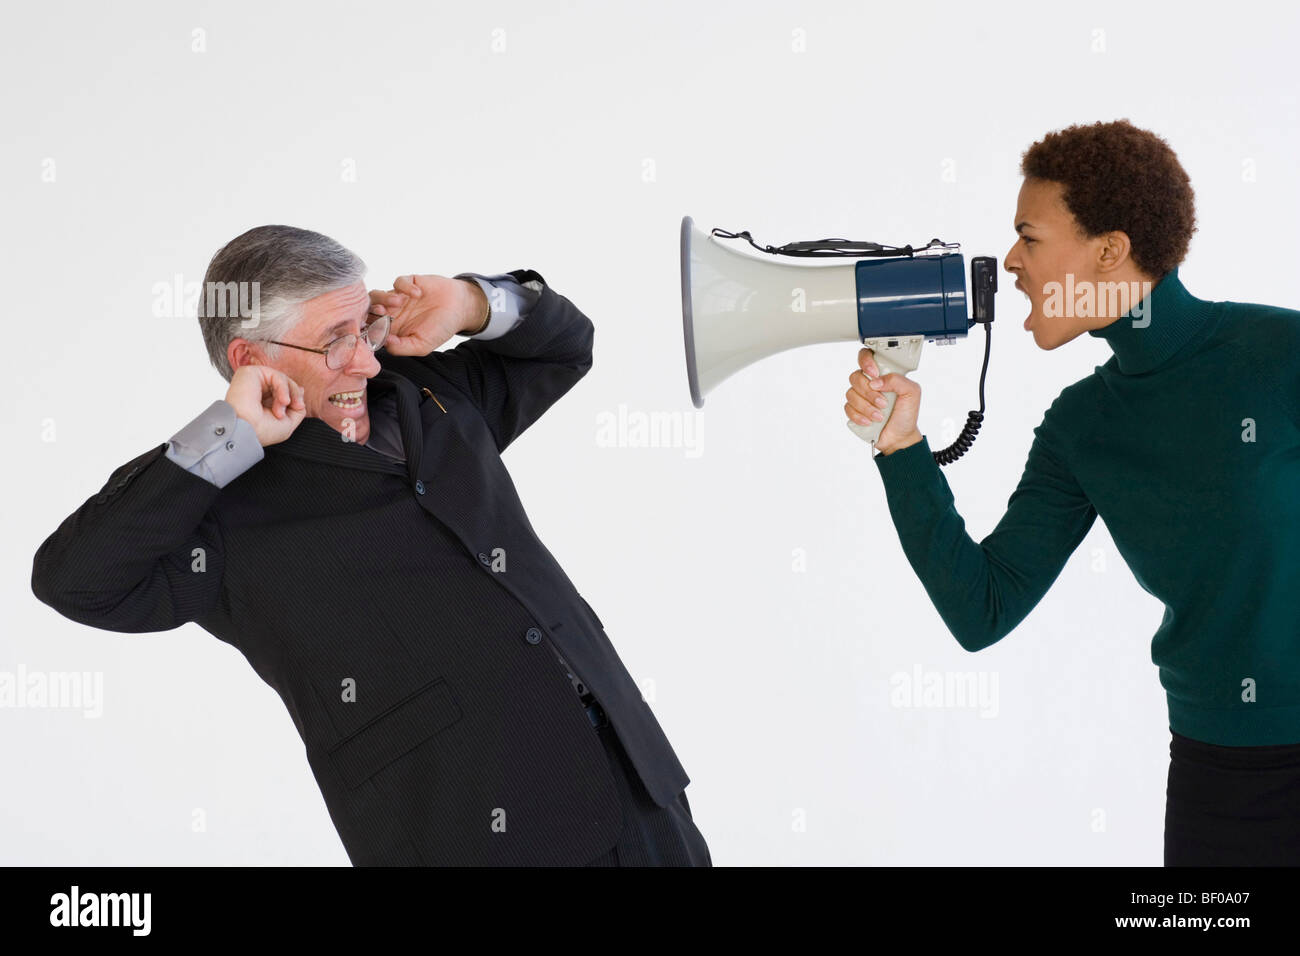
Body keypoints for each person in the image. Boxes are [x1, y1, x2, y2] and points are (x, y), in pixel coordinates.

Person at [32, 224, 711, 867]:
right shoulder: (219, 514)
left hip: (639, 790)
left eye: (367, 327)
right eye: (335, 340)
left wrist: (473, 302)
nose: (364, 358)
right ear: (250, 359)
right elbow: (75, 580)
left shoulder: (432, 390)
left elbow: (567, 347)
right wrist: (223, 434)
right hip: (480, 838)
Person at [844, 119, 1300, 865]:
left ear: (1109, 251)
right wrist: (901, 448)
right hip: (1215, 777)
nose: (1011, 261)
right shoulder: (1080, 426)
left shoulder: (1282, 355)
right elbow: (981, 609)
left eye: (1030, 236)